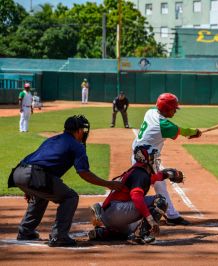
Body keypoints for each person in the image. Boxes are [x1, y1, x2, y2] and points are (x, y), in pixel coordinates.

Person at [8, 115, 124, 247]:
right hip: (35, 175)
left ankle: (25, 231)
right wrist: (109, 184)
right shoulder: (77, 146)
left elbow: (35, 158)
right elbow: (84, 173)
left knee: (42, 195)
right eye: (83, 130)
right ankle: (59, 236)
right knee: (70, 197)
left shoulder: (52, 140)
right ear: (79, 131)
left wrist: (29, 186)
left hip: (19, 172)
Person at [88, 145, 183, 244]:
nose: (155, 160)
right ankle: (142, 235)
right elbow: (136, 197)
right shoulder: (140, 174)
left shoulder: (138, 171)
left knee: (128, 233)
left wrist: (169, 174)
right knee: (160, 201)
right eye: (152, 157)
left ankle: (103, 233)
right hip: (116, 212)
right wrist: (150, 219)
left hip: (111, 214)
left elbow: (154, 178)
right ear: (145, 159)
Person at [131, 93, 202, 226]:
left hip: (145, 156)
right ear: (166, 108)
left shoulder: (151, 111)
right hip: (143, 161)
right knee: (138, 190)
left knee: (160, 185)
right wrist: (195, 132)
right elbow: (183, 131)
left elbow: (179, 130)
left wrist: (191, 133)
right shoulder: (164, 125)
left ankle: (172, 215)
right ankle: (123, 215)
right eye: (174, 108)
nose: (175, 111)